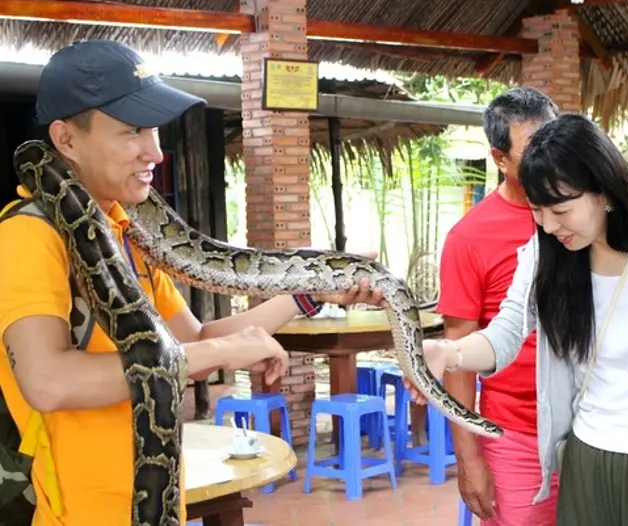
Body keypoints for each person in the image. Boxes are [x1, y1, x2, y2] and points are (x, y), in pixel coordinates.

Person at [0, 39, 386, 525]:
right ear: (66, 139)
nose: (155, 152)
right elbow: (50, 383)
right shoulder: (28, 237)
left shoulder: (126, 233)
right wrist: (220, 354)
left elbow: (193, 345)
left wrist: (307, 292)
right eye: (132, 131)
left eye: (156, 130)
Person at [409, 113, 628, 525]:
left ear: (603, 191)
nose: (549, 225)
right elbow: (504, 334)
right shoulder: (545, 255)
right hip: (585, 457)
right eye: (538, 210)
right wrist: (445, 352)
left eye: (561, 209)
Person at [436, 87, 559, 525]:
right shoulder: (470, 238)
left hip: (588, 432)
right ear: (500, 158)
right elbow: (459, 357)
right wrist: (469, 460)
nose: (548, 156)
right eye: (532, 149)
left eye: (553, 140)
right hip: (516, 437)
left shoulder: (587, 216)